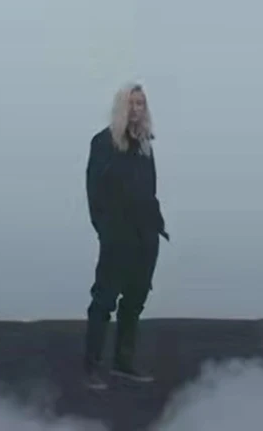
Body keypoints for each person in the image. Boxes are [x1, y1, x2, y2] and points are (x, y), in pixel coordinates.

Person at [83, 82, 169, 390]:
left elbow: (150, 190)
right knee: (104, 300)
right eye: (131, 103)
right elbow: (94, 193)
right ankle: (91, 366)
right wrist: (106, 231)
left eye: (141, 103)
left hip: (146, 237)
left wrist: (157, 224)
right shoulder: (103, 142)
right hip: (117, 237)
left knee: (135, 299)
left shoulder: (145, 144)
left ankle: (123, 362)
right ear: (121, 107)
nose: (136, 109)